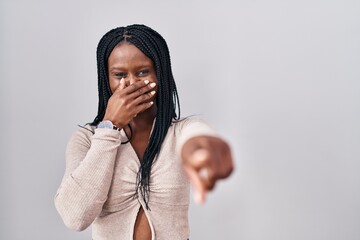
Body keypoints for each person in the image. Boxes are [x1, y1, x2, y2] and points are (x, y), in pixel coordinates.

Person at [54, 24, 233, 240]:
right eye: (119, 75)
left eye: (143, 72)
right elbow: (75, 218)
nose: (131, 83)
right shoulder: (86, 139)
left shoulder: (181, 131)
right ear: (106, 80)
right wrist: (109, 127)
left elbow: (196, 136)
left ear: (160, 74)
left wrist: (202, 145)